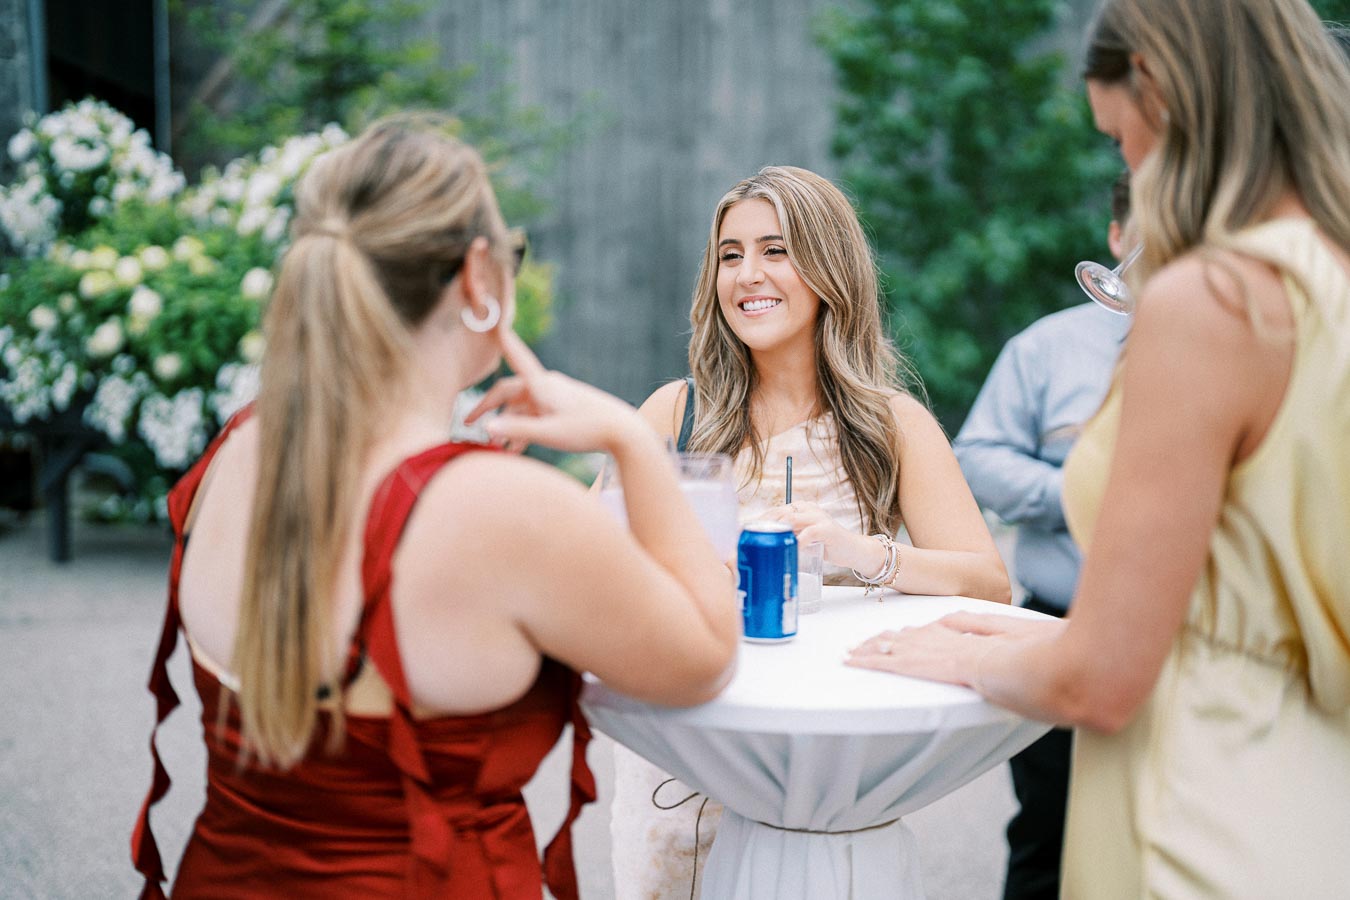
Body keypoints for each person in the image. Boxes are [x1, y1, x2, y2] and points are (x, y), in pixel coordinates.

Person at [130, 115, 740, 899]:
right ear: (479, 275)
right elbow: (706, 657)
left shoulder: (237, 450)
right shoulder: (494, 506)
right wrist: (628, 439)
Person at [848, 1, 1350, 897]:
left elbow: (1103, 683)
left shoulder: (1211, 303)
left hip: (1193, 814)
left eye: (1120, 141)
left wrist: (967, 657)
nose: (1131, 170)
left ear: (1156, 88)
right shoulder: (1329, 279)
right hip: (1308, 798)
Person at [609, 164, 1011, 898]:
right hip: (681, 774)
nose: (747, 275)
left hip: (821, 773)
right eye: (730, 255)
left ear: (830, 268)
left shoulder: (892, 424)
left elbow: (989, 582)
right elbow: (595, 567)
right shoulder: (674, 415)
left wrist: (861, 555)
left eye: (775, 249)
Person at [951, 170, 1131, 900]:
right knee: (1046, 841)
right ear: (1118, 236)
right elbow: (977, 456)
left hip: (1197, 644)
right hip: (1060, 623)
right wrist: (1080, 498)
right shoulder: (1047, 347)